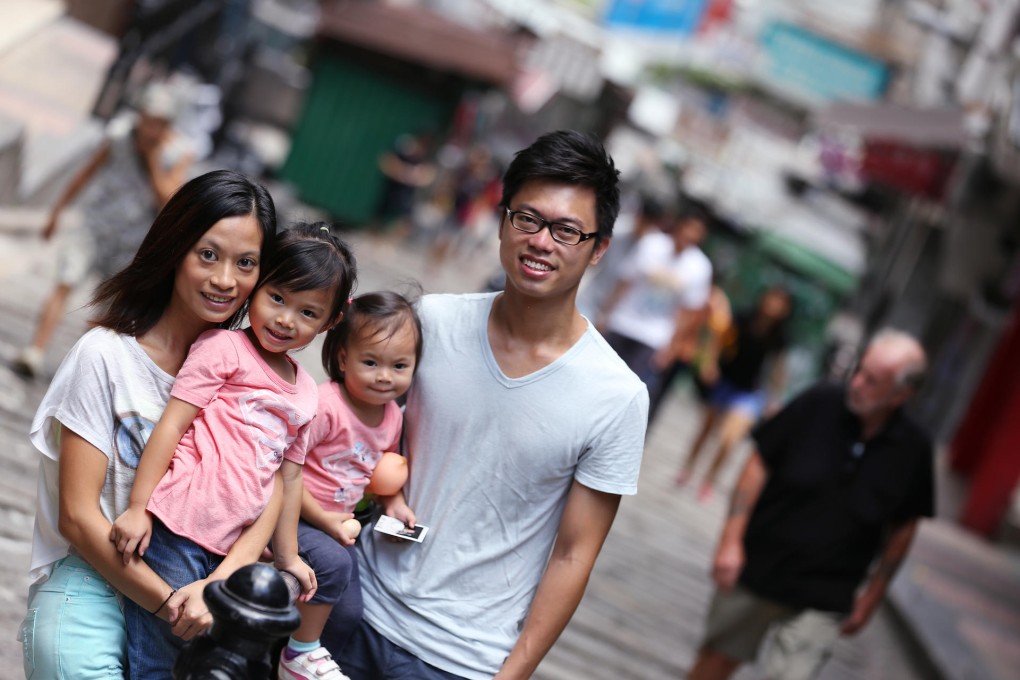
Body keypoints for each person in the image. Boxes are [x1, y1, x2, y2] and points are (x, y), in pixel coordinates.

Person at [344, 129, 648, 680]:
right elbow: (359, 431)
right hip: (350, 608)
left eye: (568, 230)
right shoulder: (433, 321)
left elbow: (573, 554)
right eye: (526, 219)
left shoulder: (617, 395)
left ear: (599, 248)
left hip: (462, 660)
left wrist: (513, 674)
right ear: (503, 220)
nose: (541, 241)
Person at [20, 169, 278, 679]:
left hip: (194, 600)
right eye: (209, 254)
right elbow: (78, 516)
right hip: (94, 592)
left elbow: (271, 494)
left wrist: (214, 591)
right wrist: (176, 609)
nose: (226, 279)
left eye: (245, 263)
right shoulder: (106, 357)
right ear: (174, 245)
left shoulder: (248, 382)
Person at [106, 221, 356, 677]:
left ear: (331, 322)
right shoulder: (224, 348)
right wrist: (139, 506)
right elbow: (172, 425)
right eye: (276, 298)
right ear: (257, 287)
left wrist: (287, 556)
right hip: (178, 526)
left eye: (307, 312)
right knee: (162, 650)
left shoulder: (306, 393)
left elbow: (289, 475)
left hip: (233, 542)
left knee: (205, 655)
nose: (284, 319)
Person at [687, 329, 934, 680]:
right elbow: (759, 462)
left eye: (872, 380)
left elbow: (905, 525)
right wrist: (731, 540)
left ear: (901, 395)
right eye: (859, 371)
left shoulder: (914, 449)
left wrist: (872, 597)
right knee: (716, 661)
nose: (857, 383)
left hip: (828, 591)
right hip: (760, 564)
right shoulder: (820, 401)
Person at [278, 291, 423, 680]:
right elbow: (285, 470)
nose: (384, 375)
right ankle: (299, 654)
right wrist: (326, 521)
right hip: (297, 514)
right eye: (371, 362)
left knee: (349, 611)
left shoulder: (392, 416)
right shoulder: (327, 406)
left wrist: (394, 503)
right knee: (336, 564)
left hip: (339, 527)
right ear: (344, 359)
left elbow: (383, 471)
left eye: (399, 365)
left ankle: (313, 663)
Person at [12, 82, 195, 378]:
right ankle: (36, 350)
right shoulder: (119, 135)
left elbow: (169, 201)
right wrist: (56, 212)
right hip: (95, 224)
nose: (151, 128)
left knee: (108, 308)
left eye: (159, 123)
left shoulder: (178, 153)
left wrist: (152, 159)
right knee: (64, 281)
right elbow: (86, 172)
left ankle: (78, 369)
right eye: (148, 119)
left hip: (132, 240)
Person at [677, 286, 792, 502]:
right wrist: (709, 363)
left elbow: (778, 369)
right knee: (706, 430)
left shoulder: (780, 336)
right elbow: (718, 338)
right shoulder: (743, 317)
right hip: (724, 381)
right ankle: (688, 467)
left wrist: (775, 398)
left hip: (748, 392)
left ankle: (709, 480)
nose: (774, 305)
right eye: (773, 298)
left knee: (730, 438)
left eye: (781, 302)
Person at [596, 208, 712, 410]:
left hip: (654, 336)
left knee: (624, 391)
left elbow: (689, 312)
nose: (690, 235)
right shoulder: (652, 244)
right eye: (688, 228)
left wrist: (672, 347)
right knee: (598, 375)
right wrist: (605, 314)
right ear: (679, 225)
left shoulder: (700, 267)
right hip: (623, 321)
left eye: (696, 232)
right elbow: (625, 281)